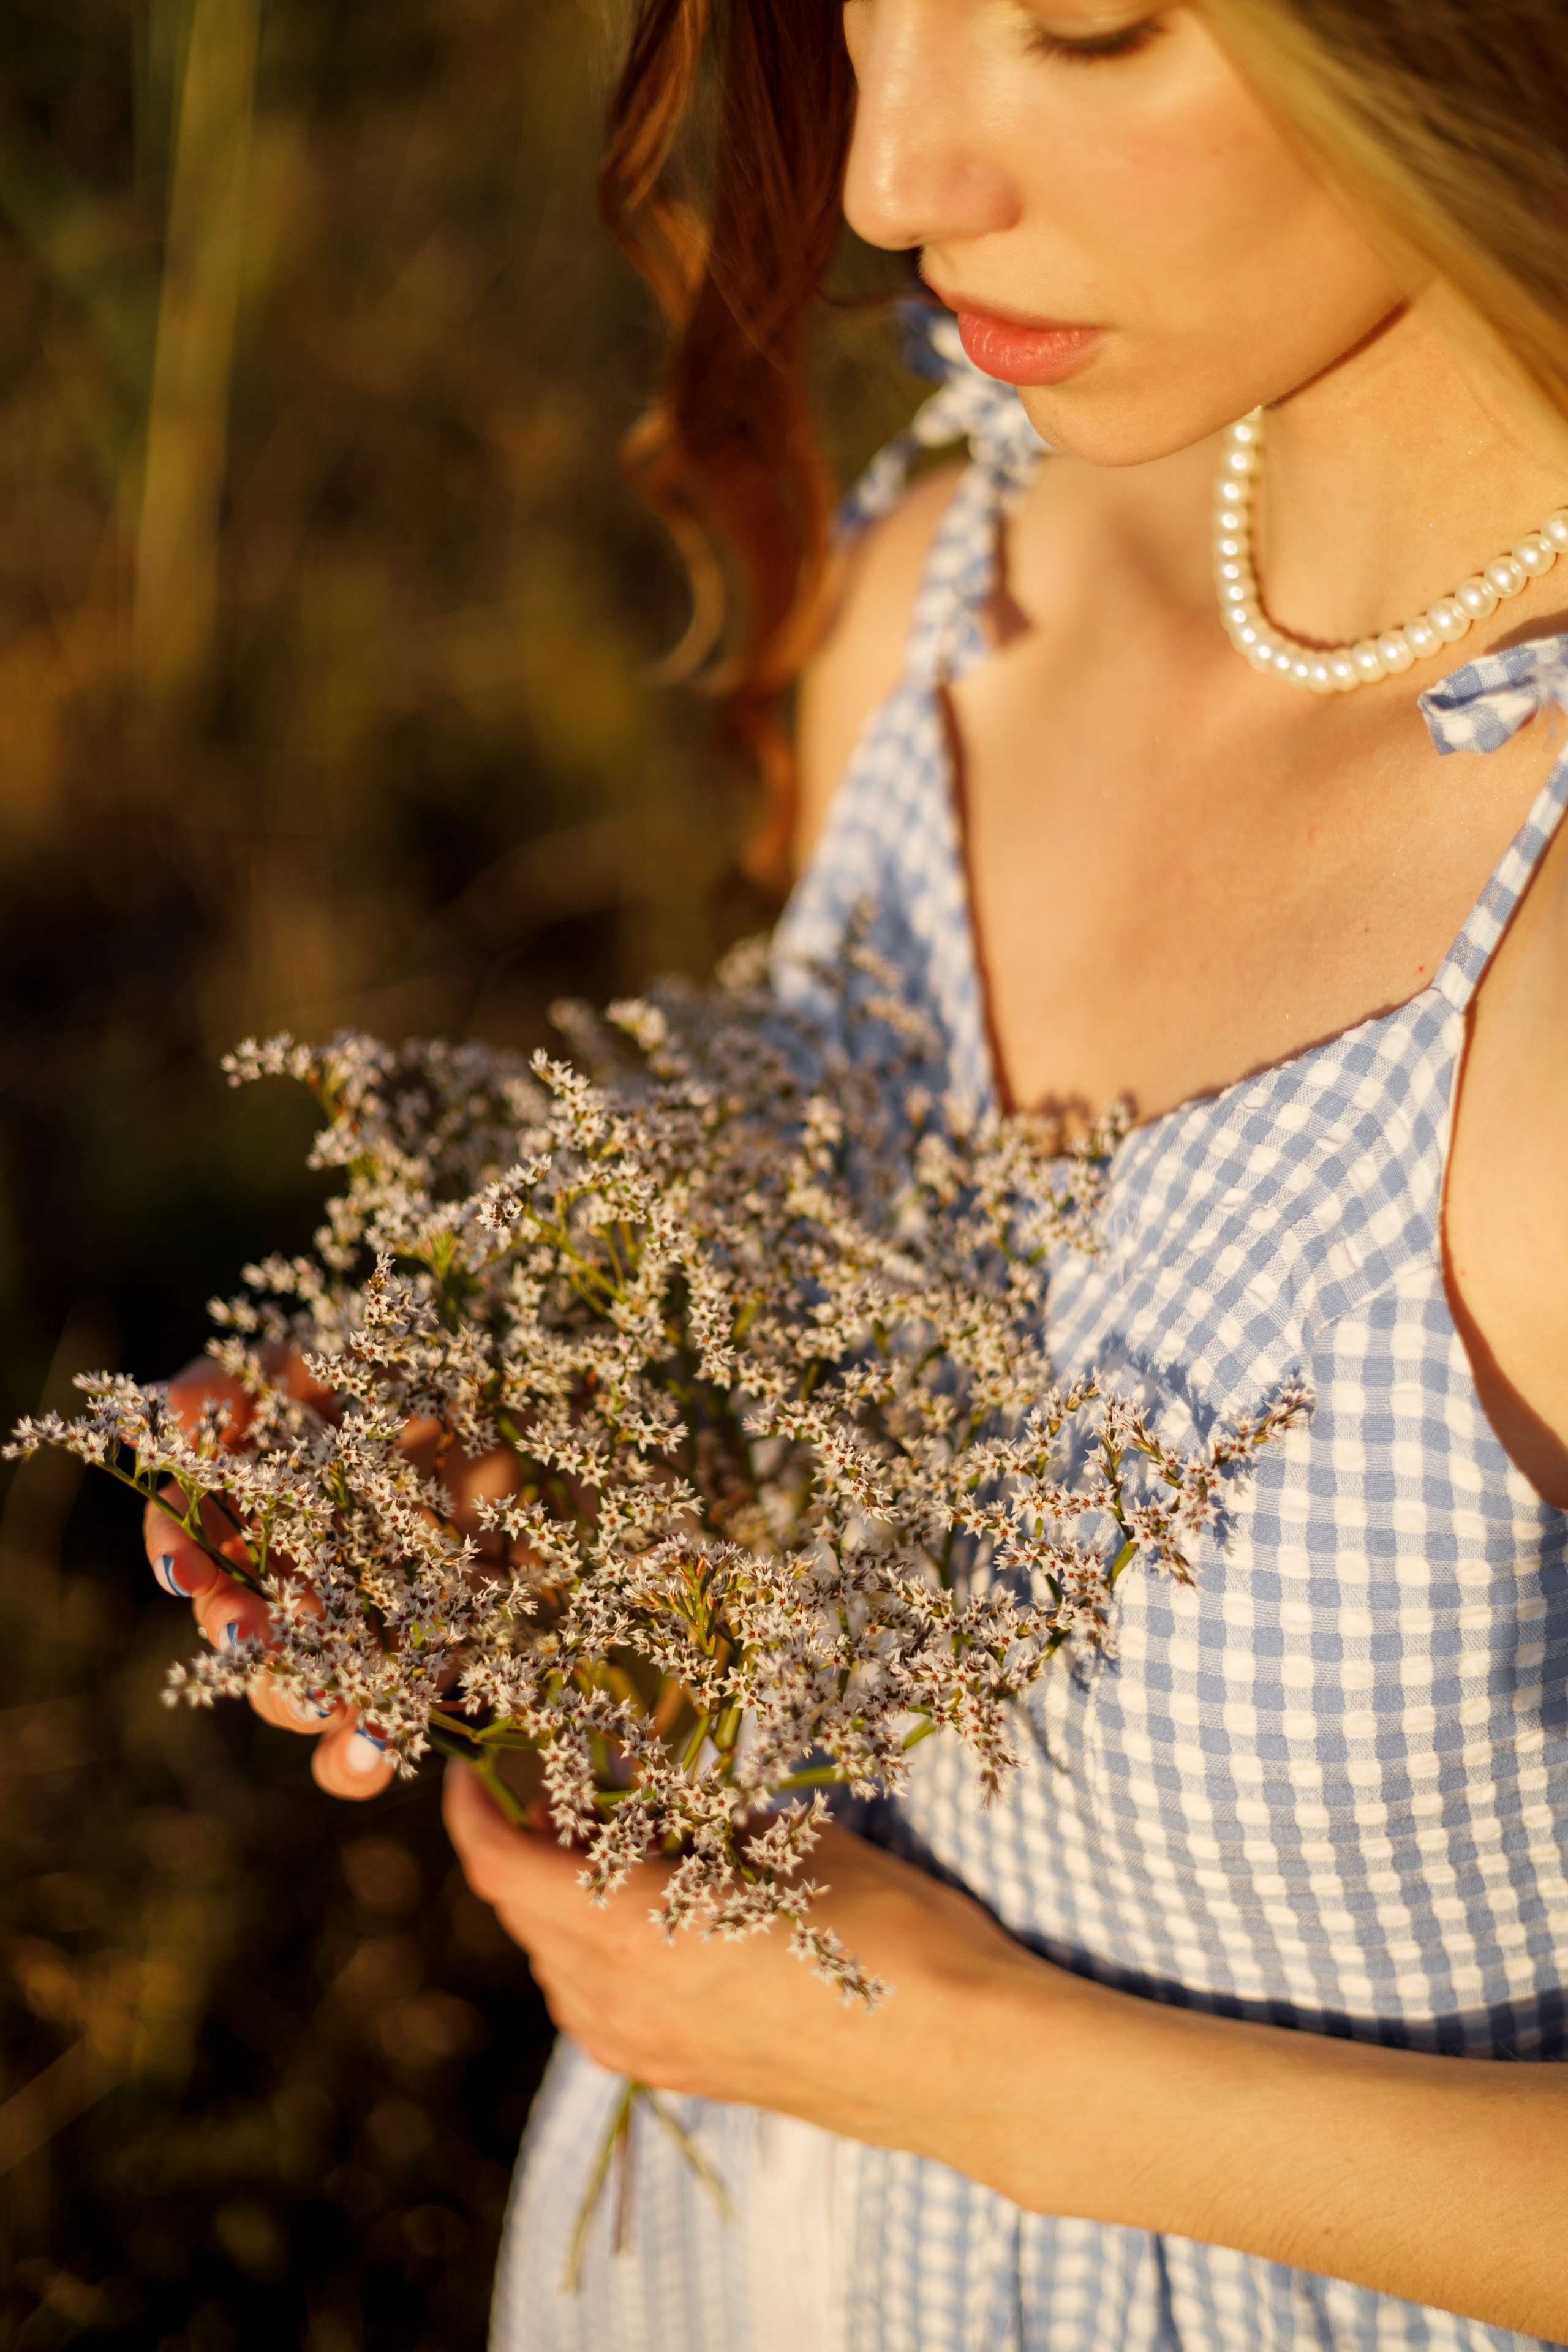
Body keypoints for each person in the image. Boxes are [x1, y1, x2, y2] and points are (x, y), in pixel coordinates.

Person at [146, 2, 1568, 2345]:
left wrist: (957, 2069)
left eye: (1088, 25)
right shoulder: (951, 588)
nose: (893, 174)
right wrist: (600, 1515)